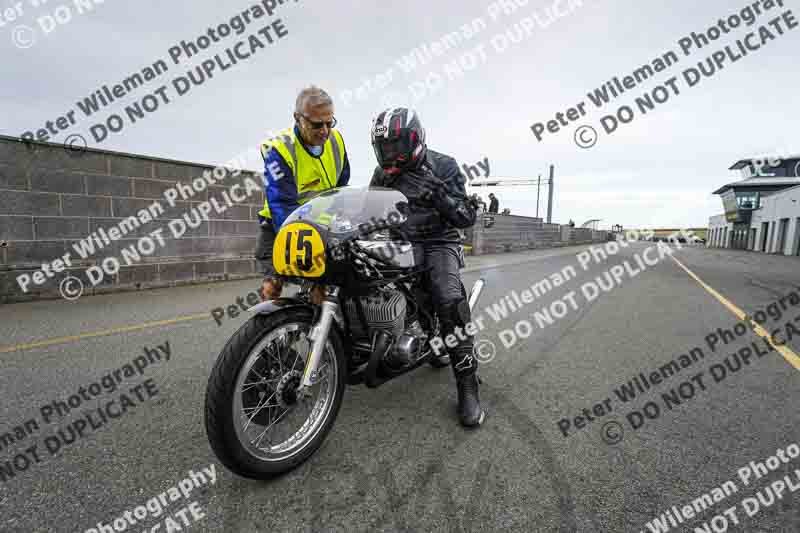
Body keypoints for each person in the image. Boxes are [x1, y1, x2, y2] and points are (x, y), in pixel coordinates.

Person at [369, 107, 485, 428]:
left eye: (396, 146)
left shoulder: (444, 166)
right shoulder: (381, 175)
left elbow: (466, 217)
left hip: (439, 241)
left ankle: (467, 385)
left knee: (450, 302)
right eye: (385, 148)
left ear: (415, 140)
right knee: (360, 280)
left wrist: (440, 197)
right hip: (401, 241)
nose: (390, 155)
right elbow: (367, 212)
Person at [256, 86, 351, 300]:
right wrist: (300, 243)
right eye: (317, 124)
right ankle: (269, 329)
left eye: (330, 123)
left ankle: (317, 330)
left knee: (321, 287)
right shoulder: (280, 150)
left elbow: (342, 186)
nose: (325, 131)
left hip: (322, 226)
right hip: (279, 226)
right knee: (273, 286)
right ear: (298, 118)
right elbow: (281, 203)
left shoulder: (336, 142)